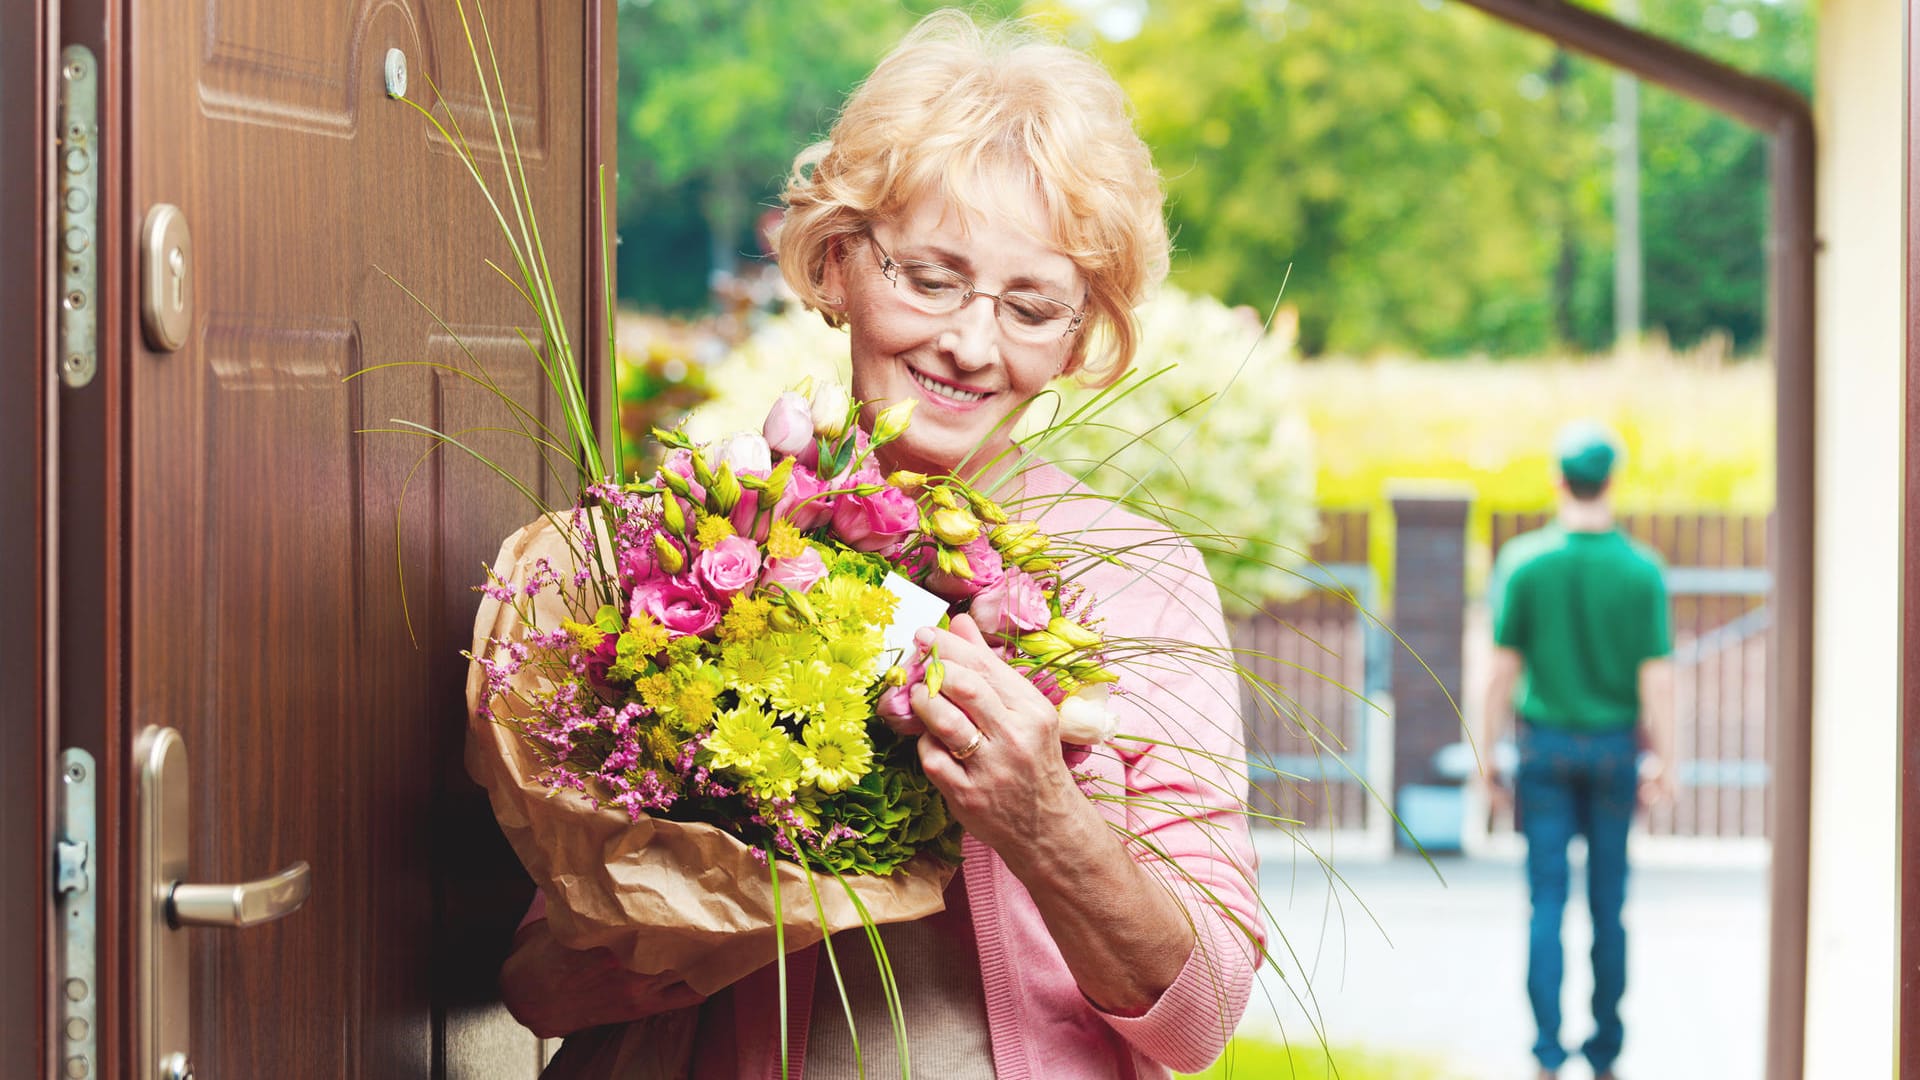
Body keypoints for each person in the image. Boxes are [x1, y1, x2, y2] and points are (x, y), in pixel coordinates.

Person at [498, 11, 1264, 1077]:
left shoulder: (1137, 586)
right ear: (840, 262)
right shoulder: (700, 537)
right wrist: (680, 924)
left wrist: (1044, 822)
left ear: (1078, 339)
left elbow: (1200, 1020)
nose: (969, 342)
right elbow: (533, 985)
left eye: (1032, 305)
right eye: (931, 278)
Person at [1476, 421, 1676, 1080]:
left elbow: (1501, 671)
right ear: (1611, 482)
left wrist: (1485, 757)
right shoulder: (1641, 570)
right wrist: (1668, 760)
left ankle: (1546, 1053)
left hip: (1544, 752)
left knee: (1546, 903)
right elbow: (1657, 678)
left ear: (1558, 480)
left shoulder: (1525, 563)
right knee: (1609, 908)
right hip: (1618, 751)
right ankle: (1606, 1050)